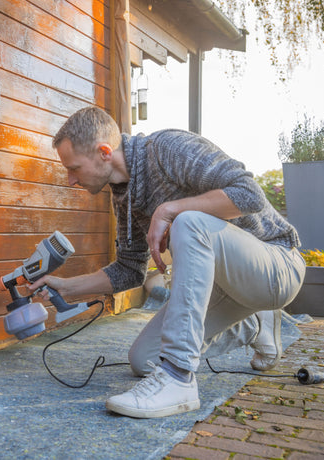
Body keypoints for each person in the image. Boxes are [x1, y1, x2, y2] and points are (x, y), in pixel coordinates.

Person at [28, 106, 305, 419]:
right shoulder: (123, 196)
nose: (70, 180)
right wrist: (66, 287)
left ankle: (178, 377)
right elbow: (129, 271)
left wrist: (170, 209)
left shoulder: (167, 149)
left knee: (189, 222)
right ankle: (256, 325)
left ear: (104, 152)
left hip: (276, 265)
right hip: (228, 289)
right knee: (143, 360)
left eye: (74, 168)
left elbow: (249, 195)